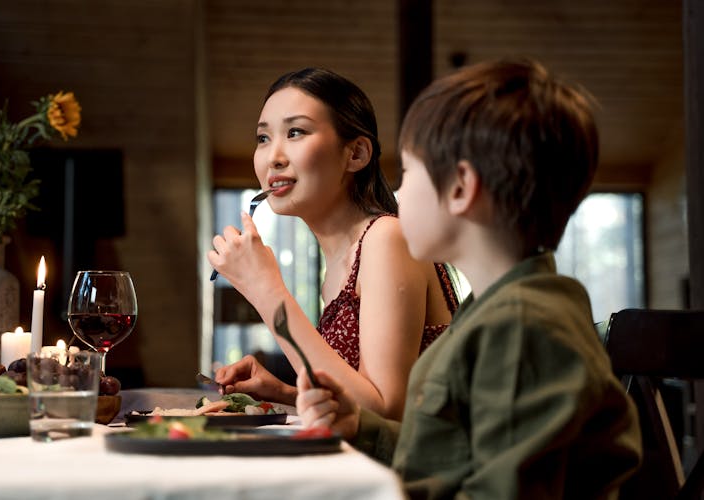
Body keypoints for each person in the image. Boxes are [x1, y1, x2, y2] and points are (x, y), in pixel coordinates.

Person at [296, 59, 642, 499]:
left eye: (409, 173)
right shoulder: (494, 312)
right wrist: (363, 429)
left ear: (460, 188)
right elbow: (456, 455)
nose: (397, 195)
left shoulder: (520, 329)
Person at [208, 68, 459, 420]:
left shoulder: (387, 238)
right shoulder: (346, 259)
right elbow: (358, 402)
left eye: (295, 132)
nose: (273, 157)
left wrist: (264, 288)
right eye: (263, 138)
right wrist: (285, 394)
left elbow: (384, 413)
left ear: (355, 154)